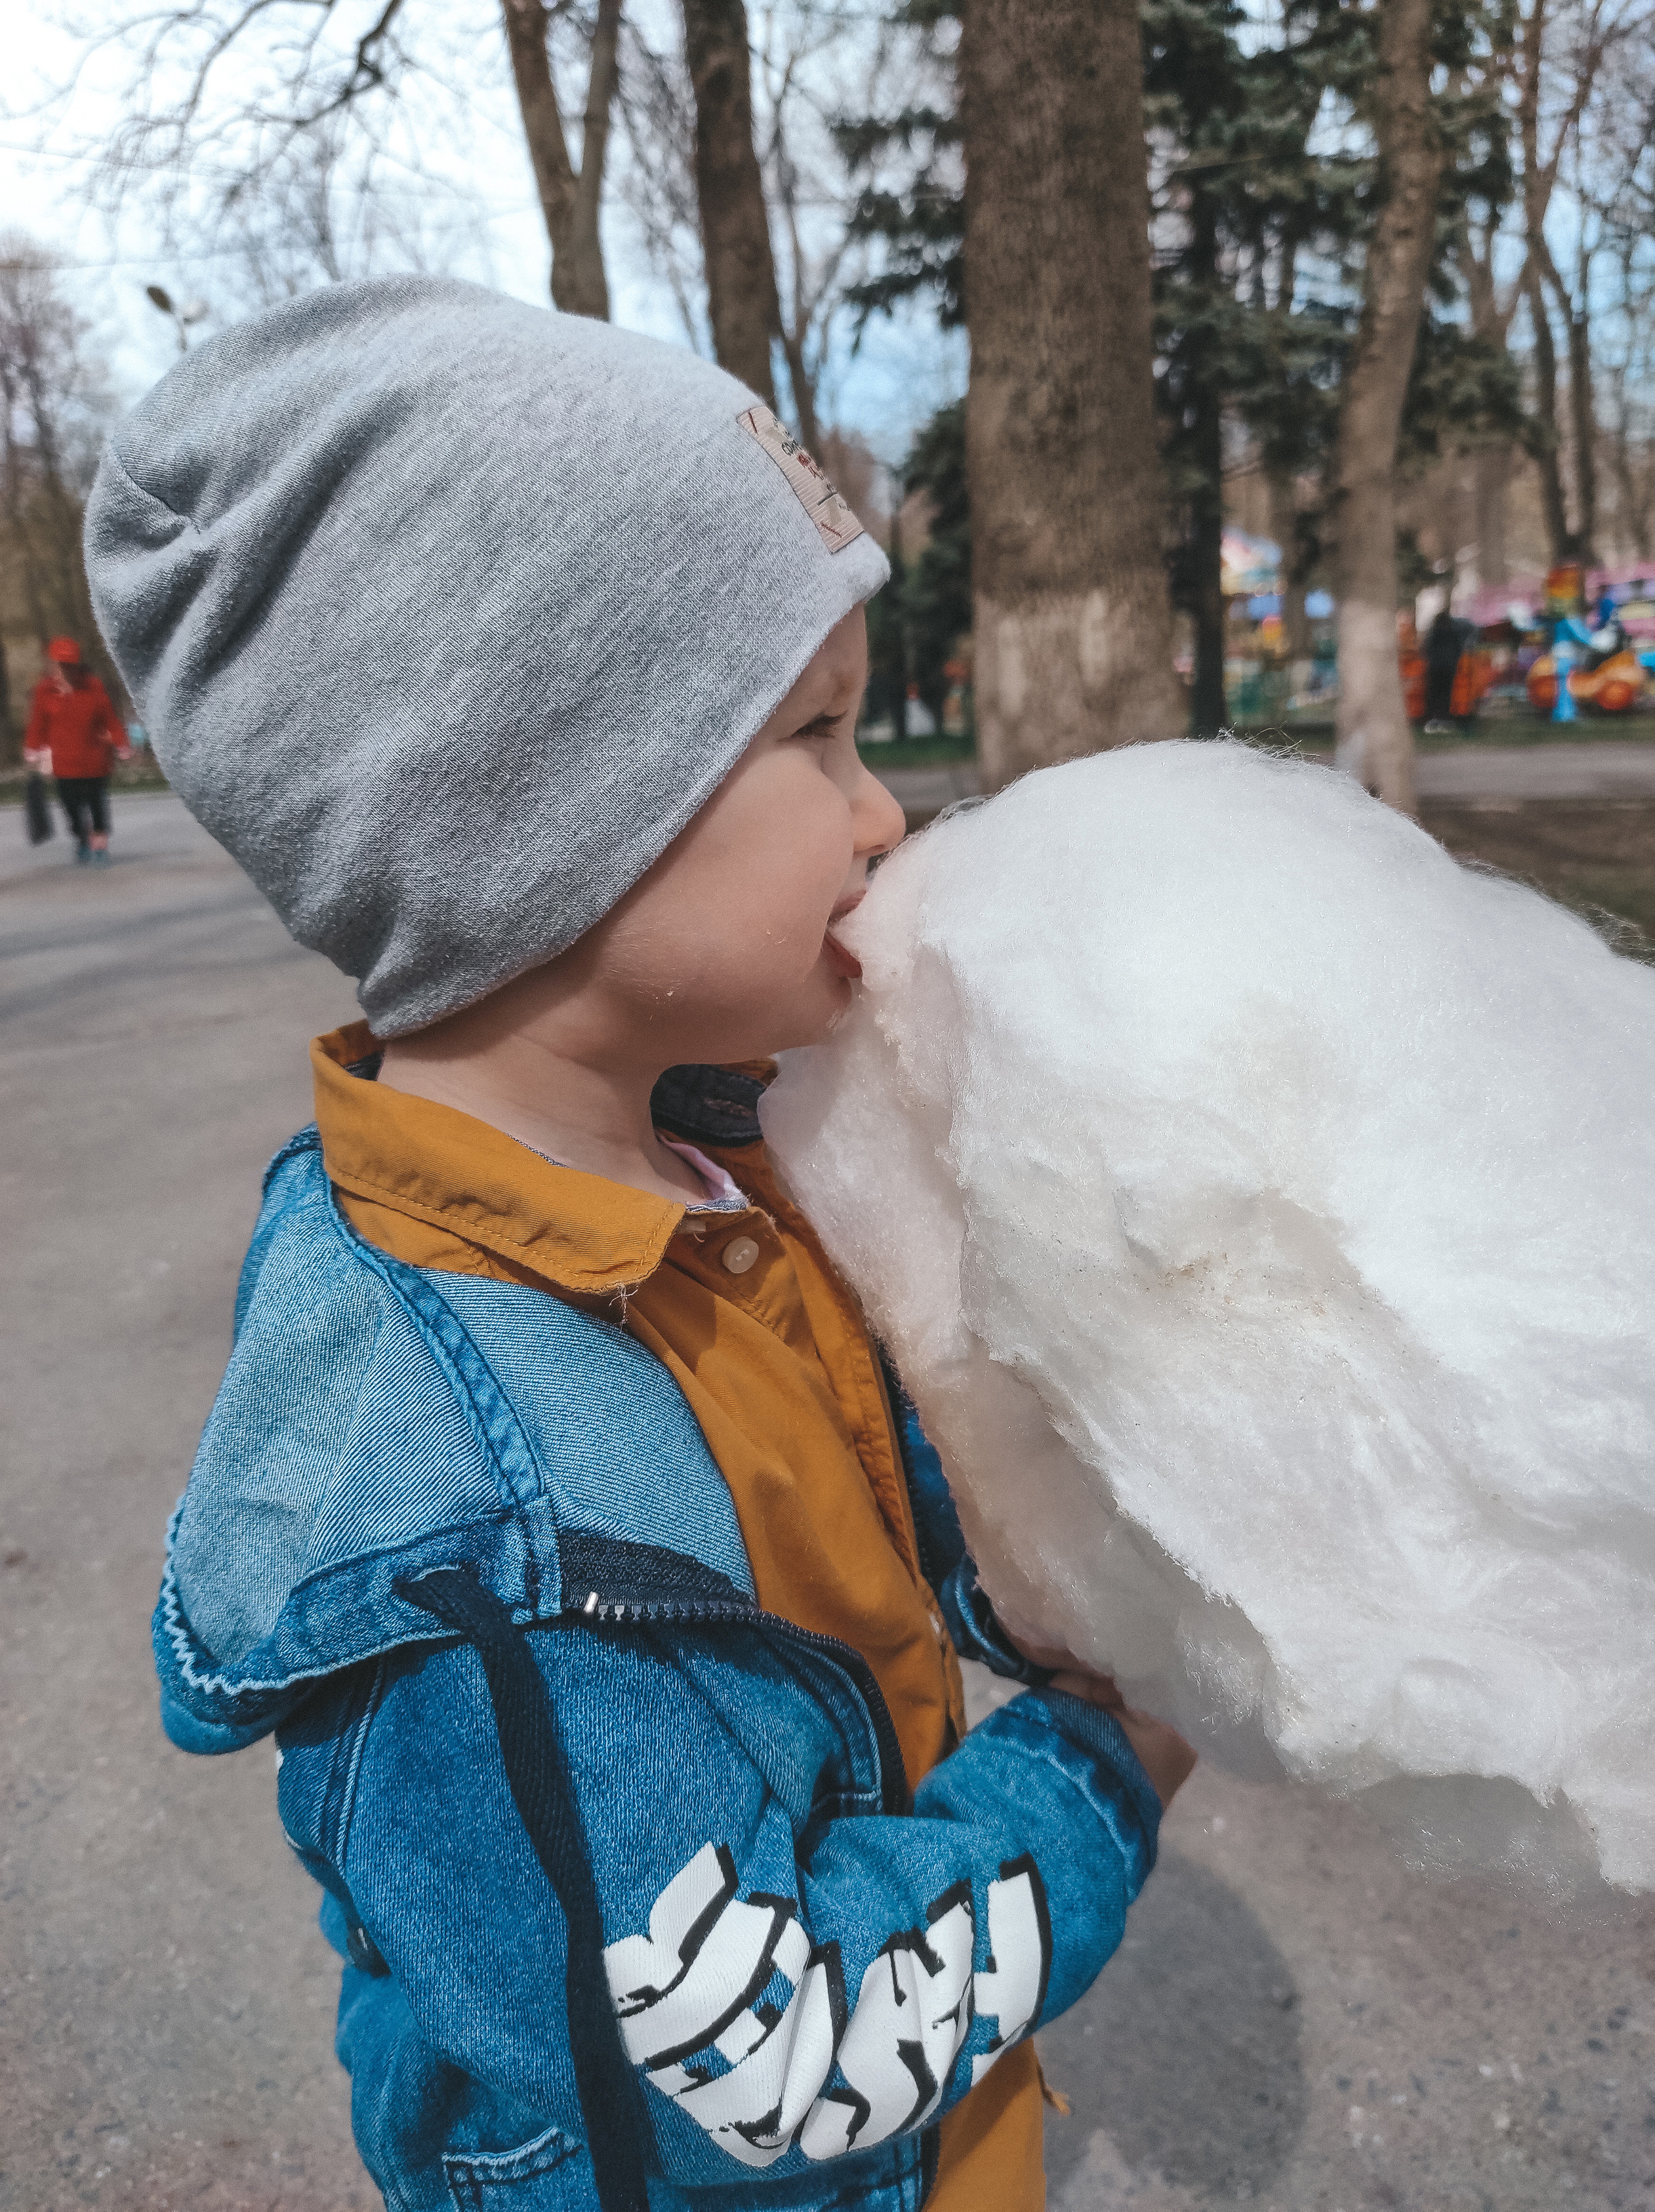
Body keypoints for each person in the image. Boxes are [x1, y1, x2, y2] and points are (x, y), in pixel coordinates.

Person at [85, 279, 1193, 2212]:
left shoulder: (714, 1158)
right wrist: (1109, 1762)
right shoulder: (472, 1536)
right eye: (816, 734)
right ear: (537, 817)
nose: (880, 811)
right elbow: (757, 2066)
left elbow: (853, 1498)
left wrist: (1068, 1556)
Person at [23, 637, 132, 864]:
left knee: (97, 803)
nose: (66, 670)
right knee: (70, 806)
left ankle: (100, 846)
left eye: (70, 665)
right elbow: (38, 722)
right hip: (64, 762)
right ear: (53, 664)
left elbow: (109, 718)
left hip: (94, 758)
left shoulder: (93, 686)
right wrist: (32, 747)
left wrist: (121, 743)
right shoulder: (45, 691)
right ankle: (82, 839)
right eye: (61, 665)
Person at [1422, 605, 1474, 733]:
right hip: (1450, 667)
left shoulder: (1434, 634)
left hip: (1435, 667)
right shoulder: (1453, 634)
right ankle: (1445, 717)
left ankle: (1433, 717)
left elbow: (1427, 649)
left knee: (1434, 694)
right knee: (1446, 694)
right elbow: (1459, 649)